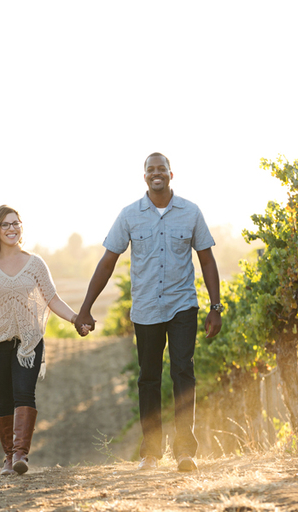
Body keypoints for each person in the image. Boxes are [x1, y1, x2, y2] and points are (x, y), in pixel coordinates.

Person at [74, 152, 222, 472]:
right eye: (150, 170)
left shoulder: (191, 212)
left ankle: (185, 451)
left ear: (171, 174)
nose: (157, 174)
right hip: (146, 309)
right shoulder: (130, 215)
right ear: (145, 177)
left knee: (183, 372)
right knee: (148, 378)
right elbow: (108, 261)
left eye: (162, 169)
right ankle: (151, 452)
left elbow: (207, 260)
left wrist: (215, 307)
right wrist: (85, 308)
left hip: (183, 304)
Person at [0, 205, 90, 476]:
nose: (12, 229)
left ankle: (21, 454)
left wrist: (75, 319)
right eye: (6, 225)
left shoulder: (35, 264)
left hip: (28, 342)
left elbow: (52, 299)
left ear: (21, 227)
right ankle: (8, 458)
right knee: (2, 400)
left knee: (24, 393)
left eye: (16, 223)